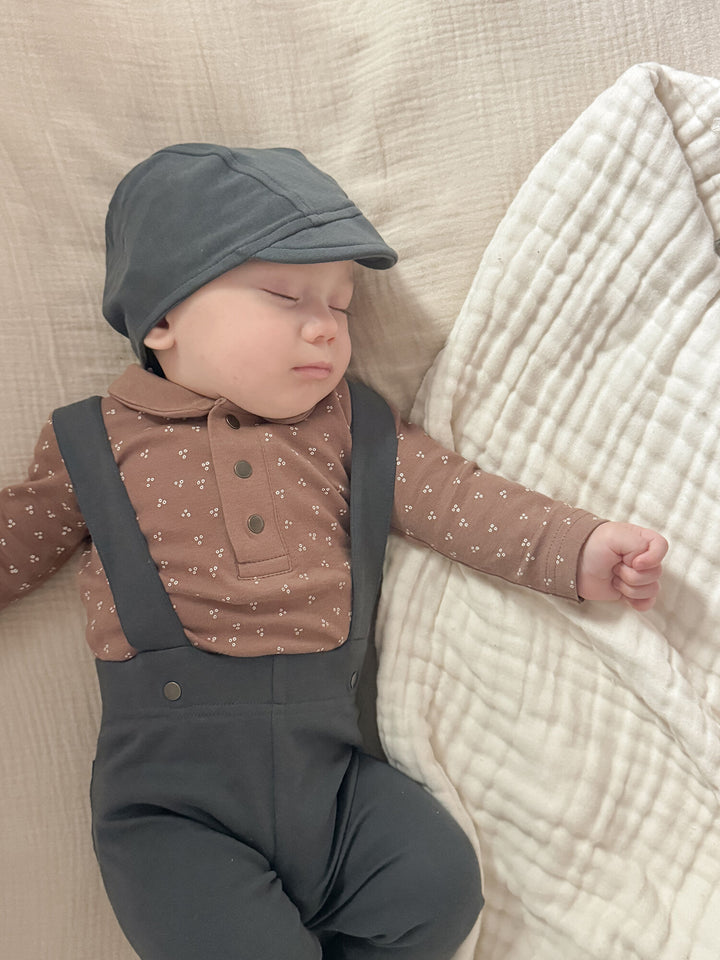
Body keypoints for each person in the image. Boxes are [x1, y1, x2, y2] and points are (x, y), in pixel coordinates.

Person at [0, 143, 667, 960]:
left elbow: (460, 500)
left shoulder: (353, 427)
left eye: (343, 306)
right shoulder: (92, 442)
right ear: (162, 318)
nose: (324, 326)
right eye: (284, 295)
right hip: (174, 808)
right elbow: (17, 539)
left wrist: (580, 549)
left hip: (338, 783)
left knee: (438, 884)